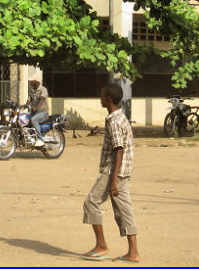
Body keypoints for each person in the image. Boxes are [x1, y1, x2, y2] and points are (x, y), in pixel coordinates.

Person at [82, 83, 140, 263]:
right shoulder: (120, 117)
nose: (100, 99)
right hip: (122, 171)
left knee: (91, 202)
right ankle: (133, 253)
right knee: (123, 210)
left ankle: (101, 246)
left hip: (113, 171)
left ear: (107, 99)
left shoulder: (115, 122)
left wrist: (113, 180)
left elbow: (119, 150)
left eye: (101, 96)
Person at [26, 75, 49, 147]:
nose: (30, 82)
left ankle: (40, 140)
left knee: (33, 119)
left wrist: (37, 107)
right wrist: (20, 106)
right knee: (24, 117)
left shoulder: (43, 89)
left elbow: (42, 99)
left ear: (37, 81)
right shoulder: (32, 90)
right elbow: (28, 102)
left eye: (32, 81)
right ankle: (29, 136)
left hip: (43, 112)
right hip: (34, 111)